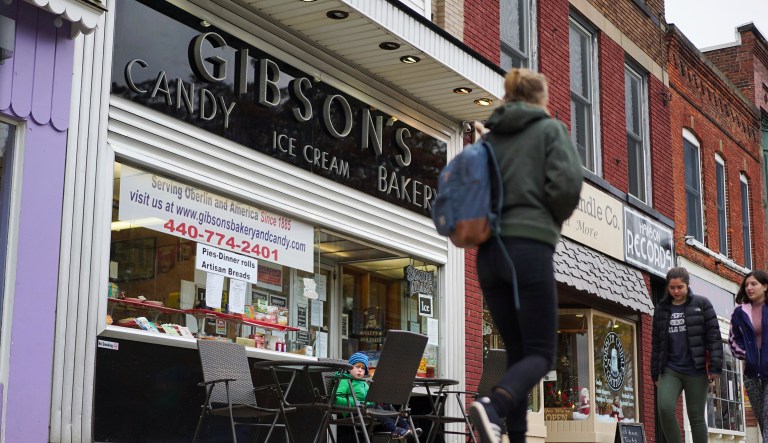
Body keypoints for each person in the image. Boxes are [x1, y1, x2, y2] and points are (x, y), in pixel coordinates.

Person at [468, 68, 583, 443]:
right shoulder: (550, 130)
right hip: (527, 250)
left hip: (488, 256)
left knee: (518, 354)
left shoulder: (490, 138)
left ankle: (511, 434)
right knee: (541, 353)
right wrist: (545, 218)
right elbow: (566, 187)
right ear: (541, 97)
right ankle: (494, 408)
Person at [651, 266, 723, 443]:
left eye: (680, 287)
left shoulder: (702, 304)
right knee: (665, 408)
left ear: (687, 285)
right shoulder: (661, 309)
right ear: (667, 287)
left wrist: (715, 367)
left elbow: (714, 337)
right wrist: (655, 373)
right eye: (672, 287)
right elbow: (656, 342)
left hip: (696, 369)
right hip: (670, 369)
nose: (676, 291)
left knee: (696, 416)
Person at [334, 352, 413, 440]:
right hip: (352, 411)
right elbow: (336, 399)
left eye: (363, 368)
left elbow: (370, 398)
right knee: (374, 407)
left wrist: (375, 401)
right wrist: (359, 403)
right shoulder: (345, 380)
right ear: (349, 368)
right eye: (357, 367)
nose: (360, 370)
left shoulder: (363, 382)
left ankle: (407, 428)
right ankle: (394, 429)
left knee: (387, 406)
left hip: (364, 409)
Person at [729, 270, 768, 441]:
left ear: (765, 286)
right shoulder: (740, 312)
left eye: (754, 284)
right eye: (746, 285)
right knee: (762, 419)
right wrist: (747, 354)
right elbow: (733, 340)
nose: (749, 288)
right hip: (751, 373)